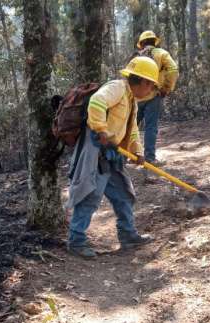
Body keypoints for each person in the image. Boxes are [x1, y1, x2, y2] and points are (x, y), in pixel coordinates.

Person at [66, 56, 160, 258]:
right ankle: (76, 241)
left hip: (114, 154)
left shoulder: (131, 99)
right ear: (143, 81)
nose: (151, 90)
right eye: (151, 85)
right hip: (96, 151)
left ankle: (128, 236)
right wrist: (101, 129)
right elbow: (96, 102)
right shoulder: (117, 87)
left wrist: (137, 151)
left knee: (123, 195)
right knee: (90, 195)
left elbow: (132, 129)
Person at [133, 30, 179, 166]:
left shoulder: (135, 56)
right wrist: (166, 88)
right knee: (150, 127)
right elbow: (173, 70)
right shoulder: (161, 54)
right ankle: (150, 158)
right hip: (153, 95)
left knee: (130, 126)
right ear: (155, 41)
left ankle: (126, 156)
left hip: (135, 97)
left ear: (141, 44)